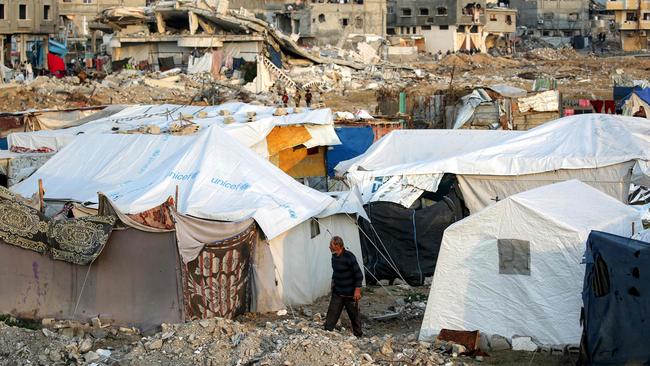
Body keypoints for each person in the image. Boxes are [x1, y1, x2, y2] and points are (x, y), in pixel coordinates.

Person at [324, 236, 363, 337]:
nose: (329, 247)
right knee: (332, 313)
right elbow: (336, 271)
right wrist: (333, 282)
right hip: (338, 292)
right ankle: (327, 332)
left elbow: (359, 275)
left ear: (338, 245)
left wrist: (357, 290)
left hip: (350, 293)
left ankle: (358, 335)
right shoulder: (334, 257)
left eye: (331, 246)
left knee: (354, 315)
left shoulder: (349, 257)